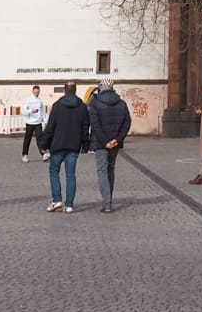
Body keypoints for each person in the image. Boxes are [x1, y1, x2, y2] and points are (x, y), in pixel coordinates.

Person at [42, 81, 90, 212]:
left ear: (64, 90)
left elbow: (50, 127)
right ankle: (69, 205)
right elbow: (86, 128)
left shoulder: (57, 106)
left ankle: (57, 200)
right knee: (71, 175)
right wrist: (86, 145)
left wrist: (44, 144)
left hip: (57, 144)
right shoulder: (82, 107)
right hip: (74, 145)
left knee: (54, 171)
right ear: (75, 90)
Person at [85, 78, 132, 213]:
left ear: (101, 87)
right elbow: (127, 123)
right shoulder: (122, 103)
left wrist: (105, 141)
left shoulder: (96, 103)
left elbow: (94, 124)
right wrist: (117, 139)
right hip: (115, 144)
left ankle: (107, 204)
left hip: (100, 143)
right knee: (111, 169)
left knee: (102, 171)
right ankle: (109, 200)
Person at [19, 84, 48, 160]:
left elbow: (42, 111)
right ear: (32, 91)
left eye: (38, 92)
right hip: (30, 123)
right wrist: (31, 111)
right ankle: (25, 154)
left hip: (38, 123)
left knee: (40, 139)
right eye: (35, 92)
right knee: (27, 139)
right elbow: (23, 111)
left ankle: (43, 153)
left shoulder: (40, 100)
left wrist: (45, 120)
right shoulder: (27, 100)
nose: (36, 93)